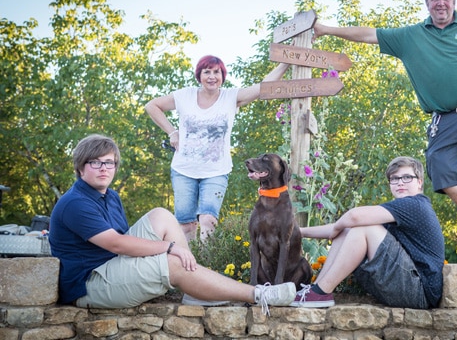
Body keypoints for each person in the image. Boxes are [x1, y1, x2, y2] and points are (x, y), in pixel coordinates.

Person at [312, 0, 457, 264]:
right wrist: (325, 29)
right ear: (427, 3)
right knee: (443, 175)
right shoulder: (412, 36)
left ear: (454, 1)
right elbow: (367, 34)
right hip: (443, 118)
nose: (440, 3)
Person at [49, 134, 296, 314]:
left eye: (109, 162)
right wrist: (168, 248)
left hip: (112, 265)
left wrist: (168, 248)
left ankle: (194, 287)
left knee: (161, 214)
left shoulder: (109, 196)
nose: (104, 168)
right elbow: (116, 243)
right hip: (90, 284)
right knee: (172, 261)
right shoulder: (75, 203)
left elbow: (123, 240)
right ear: (81, 167)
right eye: (96, 163)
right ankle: (260, 294)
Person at [145, 56, 289, 242]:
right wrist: (172, 132)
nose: (212, 76)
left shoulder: (230, 97)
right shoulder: (185, 96)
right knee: (186, 225)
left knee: (208, 219)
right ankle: (187, 265)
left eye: (216, 72)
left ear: (222, 75)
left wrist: (285, 61)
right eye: (207, 72)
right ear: (199, 75)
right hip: (183, 170)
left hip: (216, 171)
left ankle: (206, 264)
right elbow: (152, 106)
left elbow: (262, 87)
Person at [291, 156, 444, 309]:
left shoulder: (416, 204)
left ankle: (320, 292)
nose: (400, 182)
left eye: (407, 177)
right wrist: (299, 232)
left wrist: (338, 227)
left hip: (420, 291)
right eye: (394, 179)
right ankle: (316, 290)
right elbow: (344, 226)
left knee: (363, 228)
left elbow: (353, 216)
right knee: (348, 230)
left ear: (419, 182)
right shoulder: (398, 211)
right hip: (404, 286)